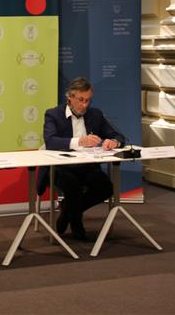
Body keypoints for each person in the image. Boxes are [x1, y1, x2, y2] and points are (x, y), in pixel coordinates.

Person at [42, 77, 124, 240]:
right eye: (81, 100)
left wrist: (113, 141)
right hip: (61, 167)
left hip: (87, 166)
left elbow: (118, 135)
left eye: (88, 100)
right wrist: (79, 141)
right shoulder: (53, 114)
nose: (84, 105)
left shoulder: (95, 114)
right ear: (70, 98)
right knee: (73, 187)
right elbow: (50, 141)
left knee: (106, 187)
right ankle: (76, 223)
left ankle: (68, 211)